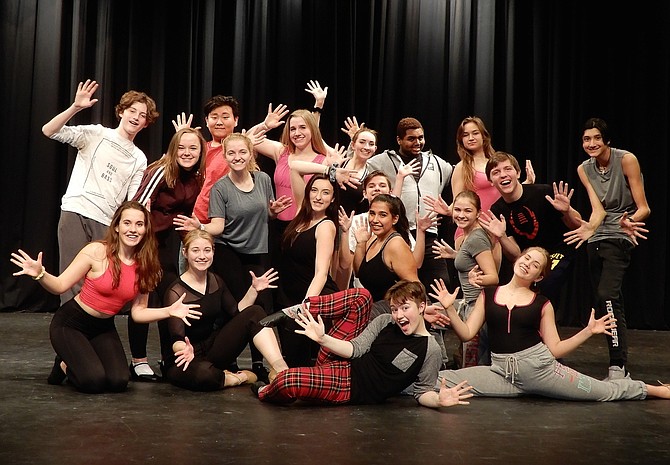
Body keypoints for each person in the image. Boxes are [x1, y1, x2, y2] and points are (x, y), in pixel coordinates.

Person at [429, 246, 670, 401]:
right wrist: (450, 308)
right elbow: (467, 333)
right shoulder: (488, 294)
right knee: (441, 380)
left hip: (541, 369)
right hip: (501, 372)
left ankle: (653, 390)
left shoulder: (542, 303)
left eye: (535, 265)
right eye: (526, 258)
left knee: (603, 392)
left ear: (539, 276)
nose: (527, 264)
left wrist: (588, 331)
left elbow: (554, 348)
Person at [10, 201, 200, 394]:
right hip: (71, 324)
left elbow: (138, 313)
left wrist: (168, 311)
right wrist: (40, 274)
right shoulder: (97, 251)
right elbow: (60, 286)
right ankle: (64, 365)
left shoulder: (147, 264)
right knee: (93, 381)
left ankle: (76, 361)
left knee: (118, 381)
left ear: (145, 229)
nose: (132, 229)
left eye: (139, 224)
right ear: (117, 226)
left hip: (103, 327)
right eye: (127, 223)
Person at [173, 133, 291, 380]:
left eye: (242, 153)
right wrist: (200, 226)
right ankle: (233, 360)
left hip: (258, 249)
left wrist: (272, 212)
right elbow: (218, 226)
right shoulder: (221, 188)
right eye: (231, 153)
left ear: (250, 154)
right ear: (225, 156)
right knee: (236, 307)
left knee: (264, 306)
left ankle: (264, 363)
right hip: (229, 250)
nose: (237, 158)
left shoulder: (263, 180)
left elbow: (263, 215)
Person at [253, 282, 474, 408]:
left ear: (422, 307)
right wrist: (322, 339)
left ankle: (264, 390)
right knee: (362, 297)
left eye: (405, 308)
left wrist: (438, 400)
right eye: (395, 309)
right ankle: (297, 310)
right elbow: (355, 349)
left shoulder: (430, 349)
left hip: (348, 386)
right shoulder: (385, 321)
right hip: (341, 360)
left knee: (287, 380)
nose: (398, 315)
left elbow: (422, 392)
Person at [42, 79, 159, 304]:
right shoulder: (97, 134)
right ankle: (69, 329)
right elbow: (49, 131)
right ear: (121, 112)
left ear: (146, 123)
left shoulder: (139, 158)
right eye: (132, 110)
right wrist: (76, 107)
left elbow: (133, 201)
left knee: (101, 281)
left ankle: (93, 331)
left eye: (142, 115)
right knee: (71, 280)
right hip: (76, 211)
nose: (136, 117)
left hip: (106, 221)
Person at [564, 118, 650, 380]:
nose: (591, 144)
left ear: (607, 140)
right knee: (607, 300)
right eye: (586, 139)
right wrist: (590, 227)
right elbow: (598, 209)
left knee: (607, 294)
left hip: (622, 233)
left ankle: (618, 365)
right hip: (596, 235)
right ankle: (618, 360)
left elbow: (644, 207)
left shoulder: (626, 160)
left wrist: (630, 221)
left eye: (596, 138)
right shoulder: (584, 168)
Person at [161, 229, 290, 391]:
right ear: (185, 253)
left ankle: (281, 370)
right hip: (184, 358)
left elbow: (237, 313)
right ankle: (237, 377)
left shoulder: (216, 281)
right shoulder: (175, 292)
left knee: (255, 312)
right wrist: (183, 349)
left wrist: (254, 290)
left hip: (212, 349)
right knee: (204, 375)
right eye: (196, 250)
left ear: (213, 251)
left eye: (207, 250)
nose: (202, 256)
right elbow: (176, 338)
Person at [126, 127, 206, 381]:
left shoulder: (197, 177)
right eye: (181, 147)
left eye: (193, 148)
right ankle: (138, 361)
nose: (187, 152)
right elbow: (137, 205)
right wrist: (136, 244)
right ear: (173, 149)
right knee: (145, 301)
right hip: (149, 244)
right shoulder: (161, 170)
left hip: (172, 247)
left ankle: (169, 358)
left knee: (171, 302)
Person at [477, 151, 581, 316]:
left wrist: (567, 211)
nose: (503, 175)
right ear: (490, 181)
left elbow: (578, 225)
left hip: (559, 250)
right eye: (496, 172)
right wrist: (501, 236)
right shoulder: (497, 210)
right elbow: (515, 254)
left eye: (507, 169)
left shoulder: (543, 192)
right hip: (529, 257)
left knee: (542, 285)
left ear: (518, 173)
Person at [366, 117, 453, 290]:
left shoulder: (437, 163)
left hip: (428, 234)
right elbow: (360, 169)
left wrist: (451, 209)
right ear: (399, 140)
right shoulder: (380, 162)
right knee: (404, 288)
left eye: (421, 138)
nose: (418, 142)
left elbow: (462, 176)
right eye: (411, 139)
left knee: (441, 285)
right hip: (399, 234)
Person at [426, 116, 534, 246]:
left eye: (475, 133)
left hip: (497, 229)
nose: (471, 138)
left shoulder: (496, 164)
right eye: (466, 135)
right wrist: (449, 210)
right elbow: (457, 201)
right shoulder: (462, 167)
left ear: (484, 136)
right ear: (461, 140)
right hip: (472, 230)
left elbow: (507, 192)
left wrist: (527, 183)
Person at [272, 174, 340, 367]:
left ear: (333, 199)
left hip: (310, 299)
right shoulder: (301, 215)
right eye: (314, 190)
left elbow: (321, 273)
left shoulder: (326, 226)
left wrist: (306, 305)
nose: (318, 197)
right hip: (289, 297)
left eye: (326, 193)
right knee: (292, 361)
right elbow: (294, 168)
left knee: (302, 363)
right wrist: (327, 168)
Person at [433, 190, 499, 367]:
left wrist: (475, 280)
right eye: (458, 210)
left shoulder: (476, 238)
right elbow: (471, 260)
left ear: (478, 213)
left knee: (472, 367)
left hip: (477, 307)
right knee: (430, 314)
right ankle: (440, 364)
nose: (461, 215)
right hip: (467, 303)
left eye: (467, 211)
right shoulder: (466, 235)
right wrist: (455, 255)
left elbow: (493, 277)